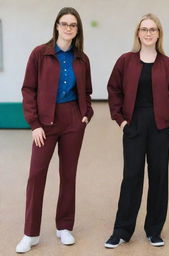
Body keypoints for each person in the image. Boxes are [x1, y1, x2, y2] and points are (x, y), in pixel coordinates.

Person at [16, 7, 93, 253]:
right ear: (57, 26)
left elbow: (87, 92)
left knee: (68, 175)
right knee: (36, 175)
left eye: (73, 25)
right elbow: (28, 89)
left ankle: (64, 227)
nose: (68, 28)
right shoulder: (40, 54)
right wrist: (34, 124)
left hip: (73, 120)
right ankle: (30, 233)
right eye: (64, 23)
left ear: (77, 29)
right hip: (45, 123)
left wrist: (85, 115)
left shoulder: (82, 58)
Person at [105, 13, 169, 249]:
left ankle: (154, 230)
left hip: (160, 127)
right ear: (138, 33)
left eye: (153, 29)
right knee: (131, 177)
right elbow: (113, 89)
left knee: (159, 178)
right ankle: (122, 230)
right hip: (134, 126)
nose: (148, 33)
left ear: (158, 34)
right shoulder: (125, 61)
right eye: (144, 29)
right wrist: (121, 120)